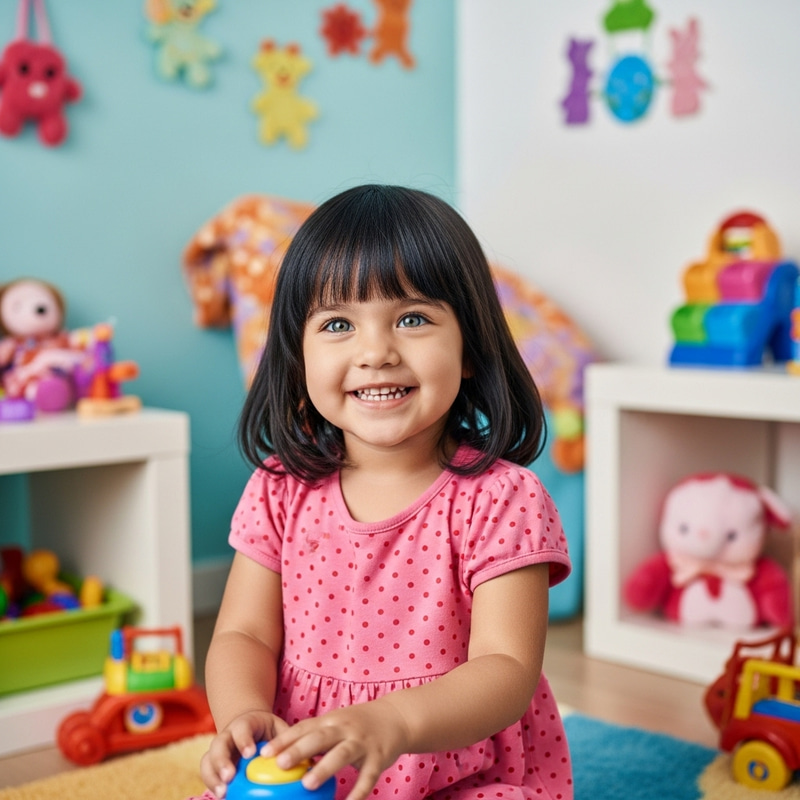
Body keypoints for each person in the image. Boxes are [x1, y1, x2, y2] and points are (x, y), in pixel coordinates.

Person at [192, 184, 573, 800]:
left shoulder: (503, 499)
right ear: (298, 356)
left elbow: (505, 672)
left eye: (413, 318)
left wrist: (392, 722)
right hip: (307, 764)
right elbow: (245, 635)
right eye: (338, 324)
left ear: (470, 347)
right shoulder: (279, 487)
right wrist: (241, 716)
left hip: (451, 767)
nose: (375, 353)